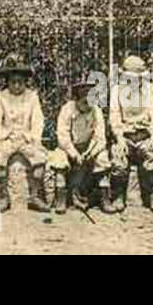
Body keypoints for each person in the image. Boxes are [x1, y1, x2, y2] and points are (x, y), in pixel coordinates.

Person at [0, 54, 50, 212]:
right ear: (7, 82)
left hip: (26, 137)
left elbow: (38, 120)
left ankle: (35, 196)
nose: (16, 85)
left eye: (20, 82)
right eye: (13, 82)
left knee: (40, 158)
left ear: (25, 82)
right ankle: (3, 198)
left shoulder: (32, 96)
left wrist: (35, 138)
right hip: (8, 137)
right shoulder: (1, 97)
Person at [108, 55, 153, 212]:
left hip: (144, 135)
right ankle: (119, 196)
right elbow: (114, 117)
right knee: (118, 155)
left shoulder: (149, 90)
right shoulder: (117, 90)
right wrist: (119, 137)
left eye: (137, 78)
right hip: (125, 136)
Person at [49, 78, 115, 213]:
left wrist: (91, 152)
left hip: (89, 147)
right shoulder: (67, 109)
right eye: (84, 101)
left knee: (102, 158)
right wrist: (74, 154)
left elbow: (100, 137)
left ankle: (105, 198)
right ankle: (61, 198)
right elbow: (63, 136)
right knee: (59, 159)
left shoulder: (96, 111)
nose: (87, 105)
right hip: (69, 147)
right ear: (77, 99)